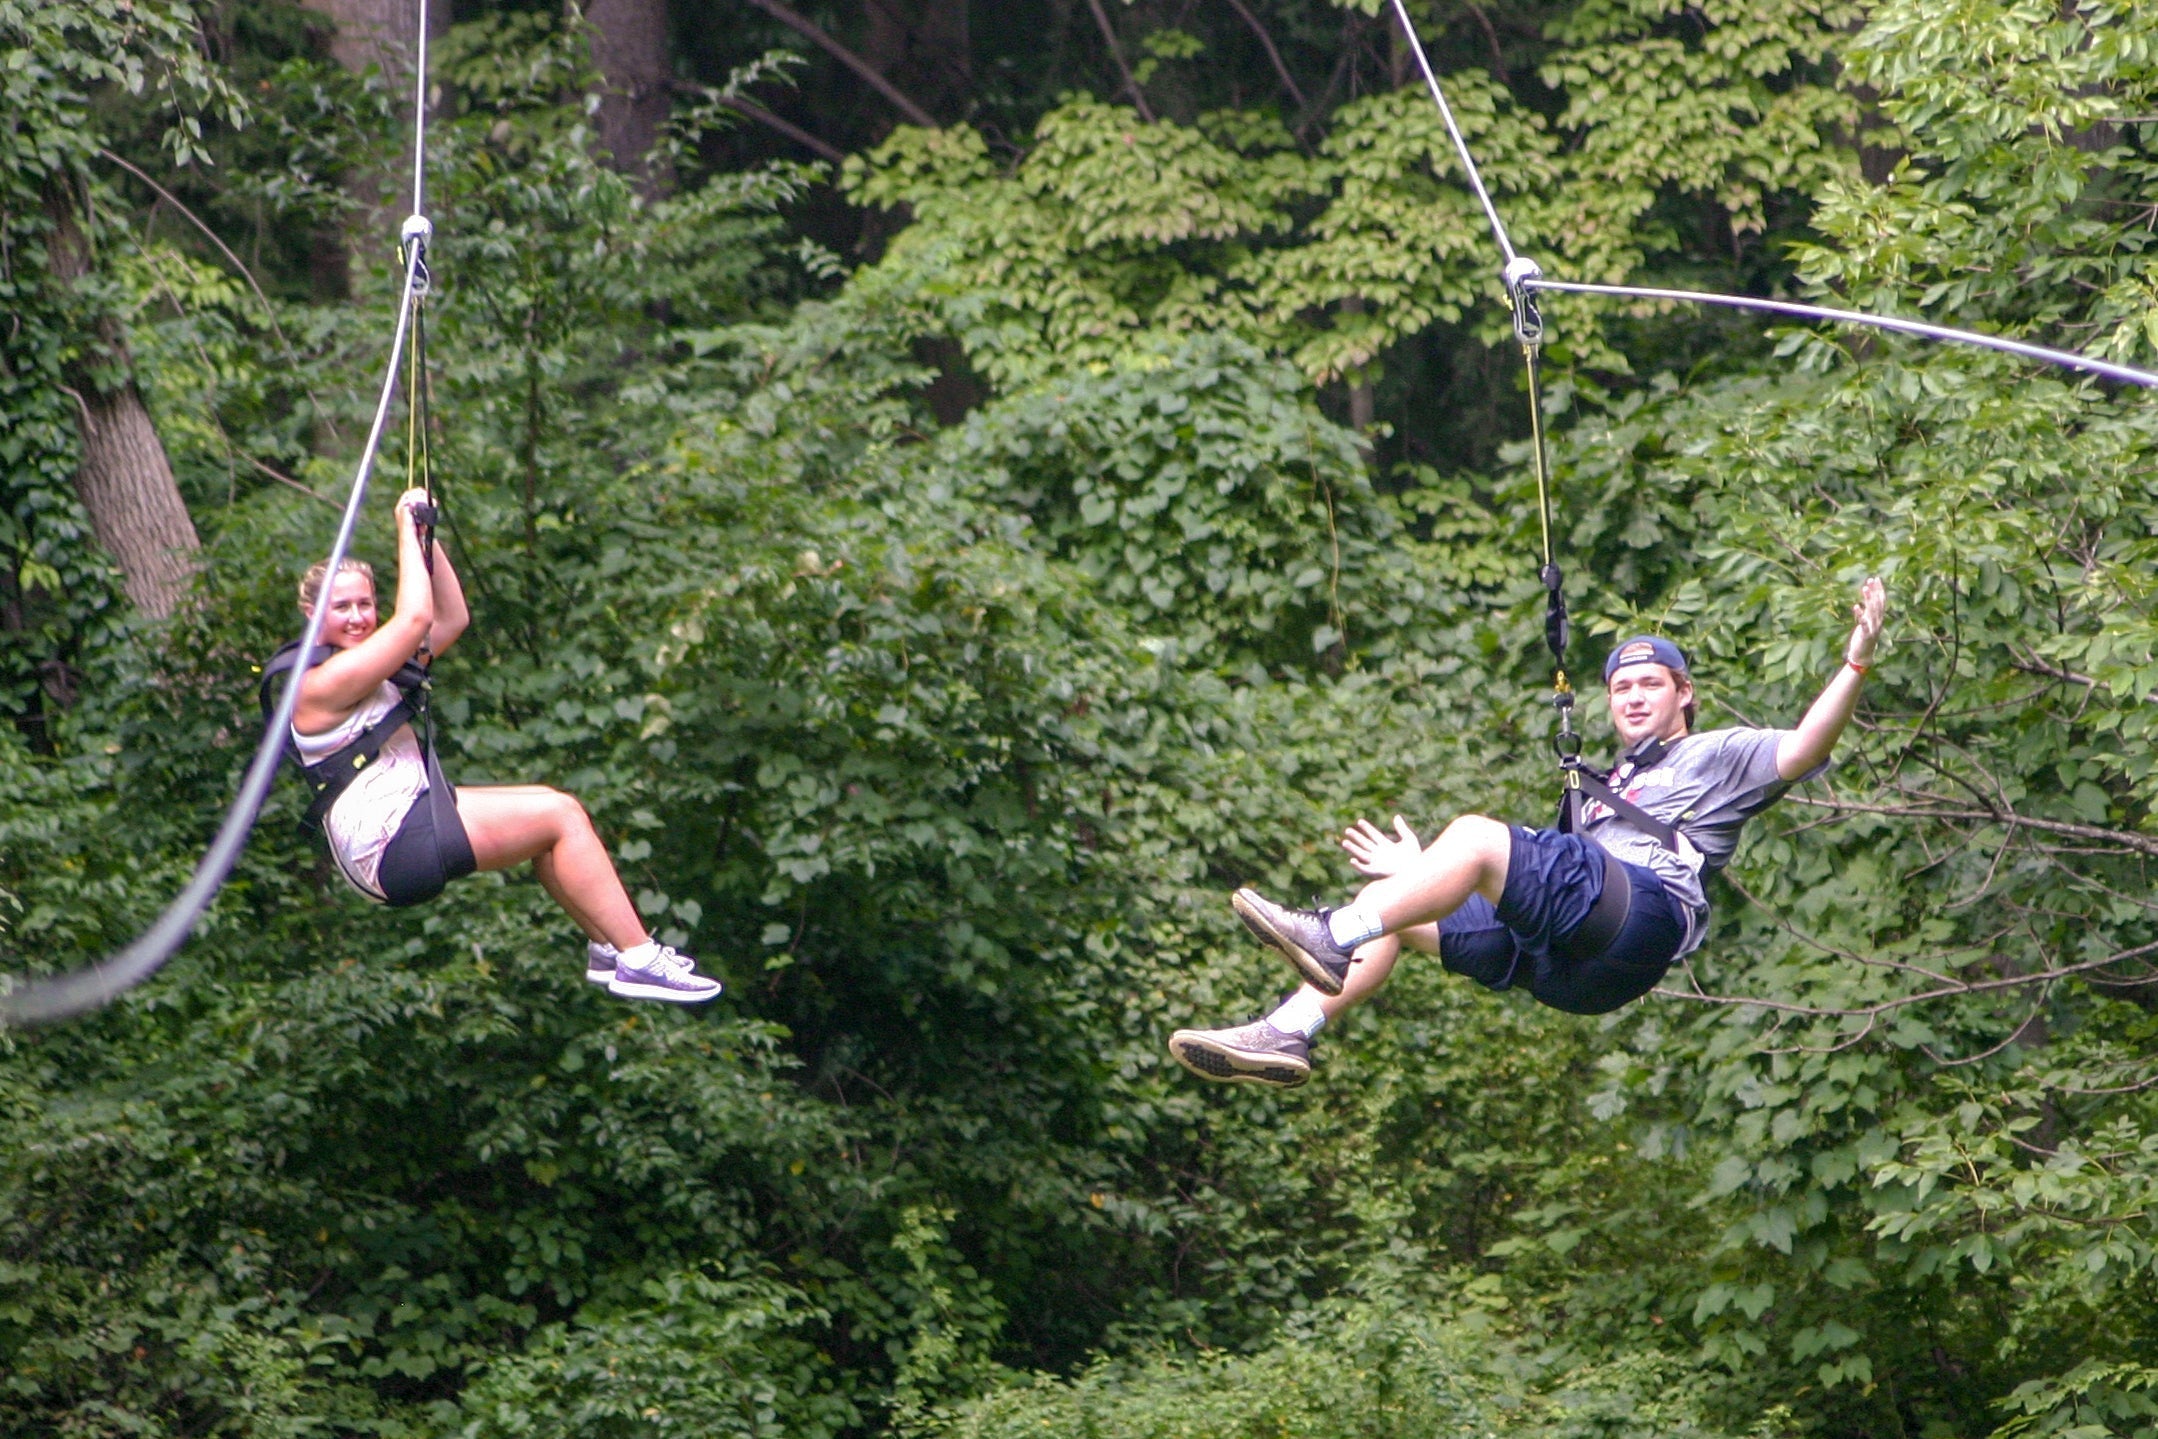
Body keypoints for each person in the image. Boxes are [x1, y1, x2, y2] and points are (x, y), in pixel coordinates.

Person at [1169, 577, 1888, 1087]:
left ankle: (1332, 930)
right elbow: (1519, 881)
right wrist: (1422, 875)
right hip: (1572, 973)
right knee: (1396, 903)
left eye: (1651, 685)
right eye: (1621, 689)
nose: (1634, 698)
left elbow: (1802, 747)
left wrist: (1856, 659)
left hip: (1638, 922)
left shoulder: (1717, 755)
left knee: (1475, 840)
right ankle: (1290, 1031)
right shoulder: (1608, 785)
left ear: (1684, 694)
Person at [273, 487, 720, 1004]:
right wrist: (402, 524)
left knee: (551, 827)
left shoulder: (374, 663)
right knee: (561, 814)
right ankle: (639, 956)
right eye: (341, 608)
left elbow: (450, 619)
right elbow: (414, 621)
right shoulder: (318, 684)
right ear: (311, 615)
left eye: (365, 605)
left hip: (403, 825)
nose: (356, 617)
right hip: (391, 845)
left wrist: (425, 537)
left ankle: (611, 949)